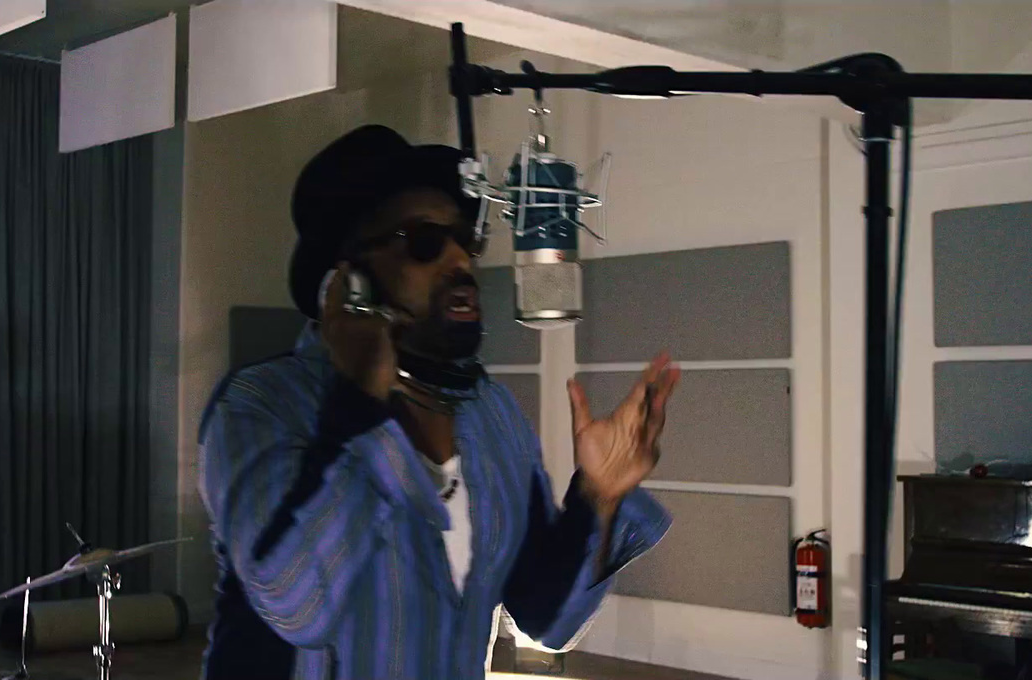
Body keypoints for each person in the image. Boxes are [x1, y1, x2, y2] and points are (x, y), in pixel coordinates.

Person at [197, 124, 682, 679]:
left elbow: (546, 619)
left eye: (465, 240)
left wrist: (597, 497)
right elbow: (296, 608)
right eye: (425, 242)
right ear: (349, 282)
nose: (460, 262)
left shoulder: (490, 413)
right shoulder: (262, 405)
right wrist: (362, 403)